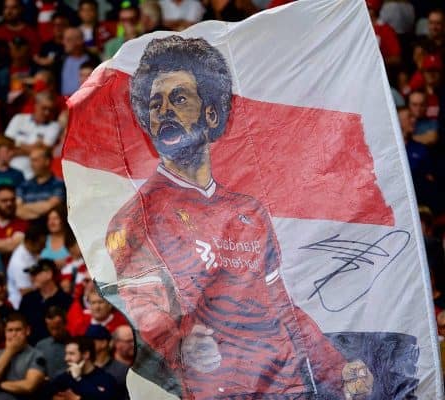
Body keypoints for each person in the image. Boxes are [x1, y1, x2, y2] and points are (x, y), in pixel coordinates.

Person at [105, 36, 372, 398]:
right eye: (155, 104)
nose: (164, 110)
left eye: (179, 98)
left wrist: (336, 368)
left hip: (285, 387)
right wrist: (180, 345)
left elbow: (282, 308)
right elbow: (144, 306)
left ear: (210, 113)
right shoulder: (136, 217)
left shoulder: (249, 212)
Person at [0, 313, 48, 398]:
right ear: (5, 332)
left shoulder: (37, 355)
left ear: (27, 331)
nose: (14, 334)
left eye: (18, 330)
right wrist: (9, 351)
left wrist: (0, 385)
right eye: (10, 330)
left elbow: (29, 386)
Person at [5, 91, 62, 179]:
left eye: (50, 110)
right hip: (9, 171)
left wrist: (17, 145)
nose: (47, 112)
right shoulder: (18, 118)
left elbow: (42, 152)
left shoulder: (54, 127)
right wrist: (33, 147)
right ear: (35, 105)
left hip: (31, 176)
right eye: (44, 108)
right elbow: (5, 144)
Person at [45, 336, 118, 399]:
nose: (66, 358)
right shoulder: (65, 378)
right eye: (66, 354)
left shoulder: (106, 379)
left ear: (86, 354)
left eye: (71, 354)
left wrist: (78, 379)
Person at [19, 258, 72, 344]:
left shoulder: (65, 300)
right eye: (31, 275)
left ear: (49, 274)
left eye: (36, 274)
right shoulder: (27, 299)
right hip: (31, 348)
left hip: (58, 345)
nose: (32, 278)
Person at [16, 147, 65, 220]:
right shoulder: (24, 185)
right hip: (27, 228)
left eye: (35, 160)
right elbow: (17, 210)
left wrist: (25, 207)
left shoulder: (59, 184)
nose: (31, 164)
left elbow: (50, 206)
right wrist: (41, 208)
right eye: (31, 161)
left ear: (47, 161)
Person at [7, 222, 47, 308]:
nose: (44, 247)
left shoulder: (33, 252)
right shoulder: (19, 262)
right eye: (41, 244)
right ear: (29, 242)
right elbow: (24, 291)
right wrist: (42, 284)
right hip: (20, 305)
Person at [0, 184, 27, 262]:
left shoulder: (22, 224)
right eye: (4, 201)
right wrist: (4, 243)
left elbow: (12, 246)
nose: (9, 204)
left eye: (12, 200)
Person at [85, 324, 129, 398]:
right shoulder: (83, 367)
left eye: (90, 340)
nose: (86, 343)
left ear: (104, 343)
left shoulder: (122, 370)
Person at [35, 306, 70, 379]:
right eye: (51, 328)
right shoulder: (41, 346)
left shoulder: (77, 344)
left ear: (65, 324)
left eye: (57, 328)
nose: (54, 333)